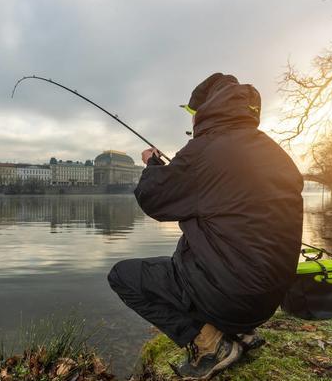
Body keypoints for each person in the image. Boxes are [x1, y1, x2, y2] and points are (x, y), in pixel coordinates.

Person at [107, 73, 304, 379]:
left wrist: (152, 166)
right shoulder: (274, 153)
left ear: (206, 108)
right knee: (204, 238)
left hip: (233, 298)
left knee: (123, 276)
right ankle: (242, 333)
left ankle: (211, 343)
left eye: (193, 112)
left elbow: (154, 200)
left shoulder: (204, 150)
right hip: (268, 300)